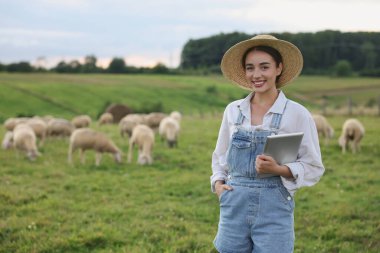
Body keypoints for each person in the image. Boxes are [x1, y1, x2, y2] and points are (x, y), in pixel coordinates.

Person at [210, 34, 325, 253]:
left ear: (279, 68)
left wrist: (279, 169)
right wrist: (217, 185)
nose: (256, 75)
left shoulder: (297, 114)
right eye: (250, 68)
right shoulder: (233, 111)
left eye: (264, 67)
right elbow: (220, 157)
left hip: (275, 209)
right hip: (234, 205)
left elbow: (313, 167)